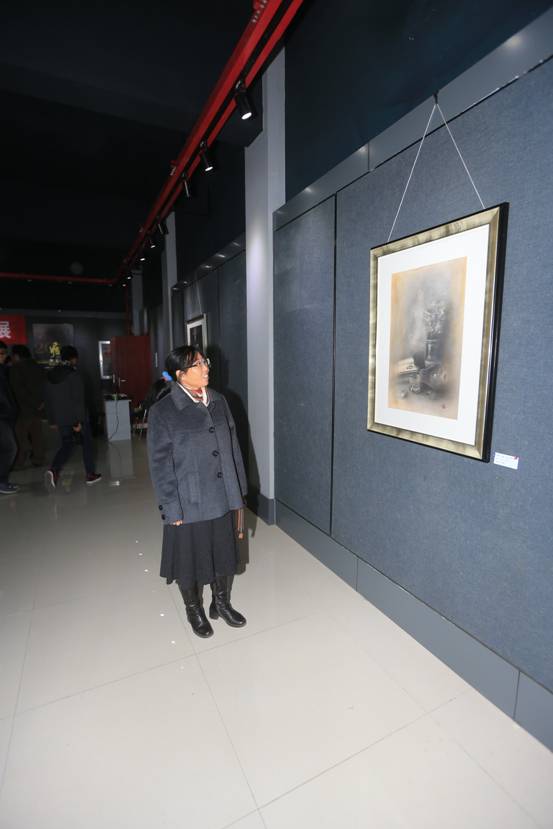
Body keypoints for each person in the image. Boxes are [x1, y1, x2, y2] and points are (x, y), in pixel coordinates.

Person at [147, 345, 247, 638]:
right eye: (198, 364)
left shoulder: (219, 400)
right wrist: (171, 508)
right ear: (180, 374)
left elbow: (233, 447)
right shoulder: (163, 411)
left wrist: (238, 490)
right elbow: (160, 465)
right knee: (189, 559)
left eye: (205, 362)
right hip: (188, 500)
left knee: (223, 552)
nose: (206, 368)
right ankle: (194, 610)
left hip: (222, 494)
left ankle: (221, 603)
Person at [43, 345, 102, 490]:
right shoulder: (74, 374)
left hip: (60, 417)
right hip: (76, 417)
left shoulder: (50, 375)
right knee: (87, 444)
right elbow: (78, 399)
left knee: (67, 443)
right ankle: (90, 475)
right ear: (73, 358)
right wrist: (78, 421)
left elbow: (47, 400)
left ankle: (54, 470)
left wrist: (52, 420)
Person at [10, 344, 46, 468]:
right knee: (37, 435)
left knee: (19, 435)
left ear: (16, 356)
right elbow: (45, 385)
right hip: (39, 407)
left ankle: (19, 461)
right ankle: (38, 459)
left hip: (24, 408)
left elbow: (19, 391)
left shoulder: (16, 368)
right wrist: (41, 402)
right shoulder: (38, 366)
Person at [0, 341, 19, 494]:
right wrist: (10, 410)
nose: (4, 356)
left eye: (5, 353)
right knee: (11, 448)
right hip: (2, 415)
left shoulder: (3, 370)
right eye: (1, 353)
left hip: (5, 415)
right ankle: (1, 481)